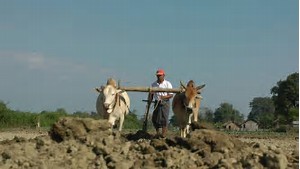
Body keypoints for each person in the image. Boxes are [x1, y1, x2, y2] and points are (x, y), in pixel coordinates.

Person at [148, 69, 173, 138]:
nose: (158, 77)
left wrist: (164, 97)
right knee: (155, 118)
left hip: (165, 102)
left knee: (164, 118)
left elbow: (171, 95)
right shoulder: (153, 84)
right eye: (157, 75)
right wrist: (149, 101)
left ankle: (163, 134)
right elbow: (151, 94)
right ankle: (157, 132)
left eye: (160, 75)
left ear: (163, 75)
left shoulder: (168, 84)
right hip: (157, 102)